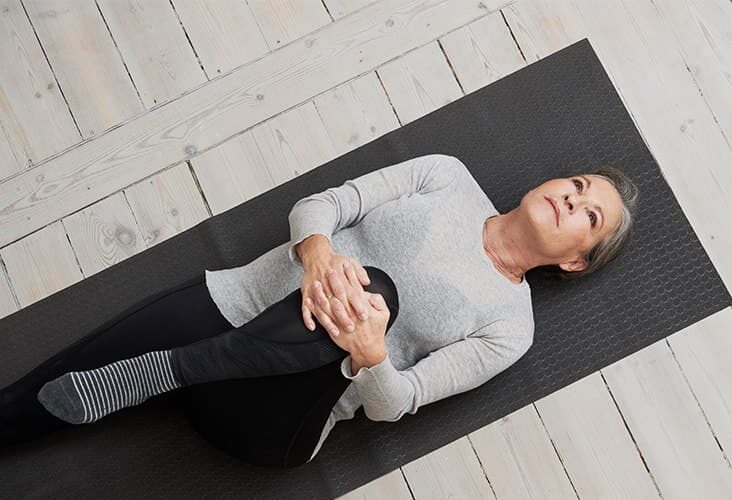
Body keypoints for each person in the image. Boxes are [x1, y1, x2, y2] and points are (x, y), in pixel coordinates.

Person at [0, 153, 638, 468]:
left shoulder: (511, 327)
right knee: (47, 391)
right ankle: (179, 368)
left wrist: (370, 350)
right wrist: (317, 258)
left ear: (576, 261)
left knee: (376, 293)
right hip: (234, 308)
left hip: (276, 412)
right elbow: (320, 206)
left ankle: (177, 369)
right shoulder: (446, 175)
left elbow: (394, 404)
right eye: (578, 186)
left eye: (589, 215)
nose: (571, 199)